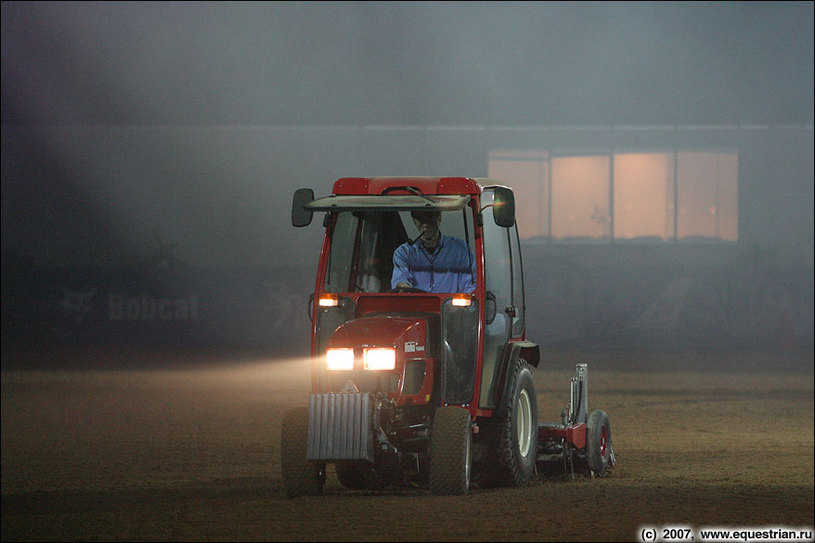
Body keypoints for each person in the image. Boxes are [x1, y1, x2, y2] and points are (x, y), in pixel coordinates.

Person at [391, 210, 476, 293]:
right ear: (414, 221)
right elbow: (400, 280)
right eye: (420, 220)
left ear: (439, 219)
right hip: (416, 306)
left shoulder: (461, 250)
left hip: (450, 307)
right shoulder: (404, 253)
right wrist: (402, 286)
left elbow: (470, 285)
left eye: (429, 219)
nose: (425, 226)